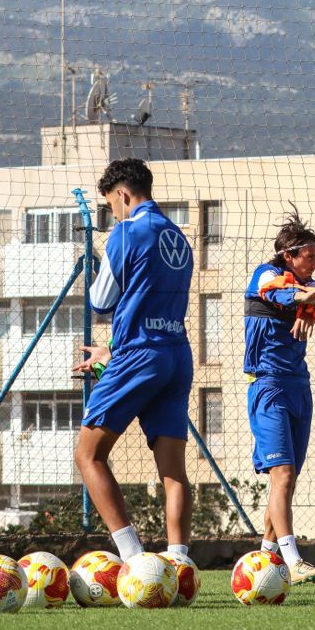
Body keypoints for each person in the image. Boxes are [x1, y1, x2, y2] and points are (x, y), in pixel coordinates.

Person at [72, 158, 196, 567]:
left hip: (140, 355)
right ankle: (179, 564)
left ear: (122, 195)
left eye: (111, 206)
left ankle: (134, 559)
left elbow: (101, 301)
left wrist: (122, 348)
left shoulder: (126, 233)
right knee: (173, 470)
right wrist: (113, 351)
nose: (113, 214)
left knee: (88, 455)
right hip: (176, 354)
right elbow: (153, 304)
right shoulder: (179, 237)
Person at [243, 210, 315, 586]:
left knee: (288, 478)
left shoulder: (306, 287)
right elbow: (275, 290)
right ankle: (294, 561)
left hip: (299, 387)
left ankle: (265, 560)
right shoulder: (265, 274)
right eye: (309, 255)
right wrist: (305, 298)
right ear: (289, 256)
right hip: (268, 386)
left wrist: (311, 306)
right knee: (280, 474)